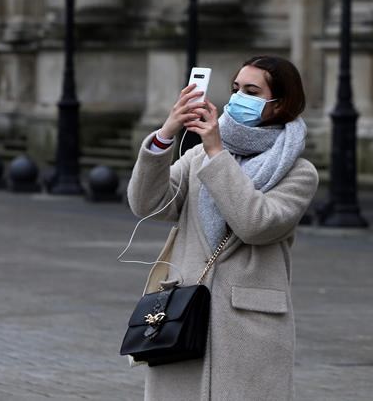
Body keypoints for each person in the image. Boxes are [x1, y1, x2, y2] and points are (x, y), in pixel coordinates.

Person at [127, 55, 318, 401]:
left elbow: (256, 225)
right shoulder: (197, 157)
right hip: (181, 317)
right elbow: (148, 205)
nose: (236, 98)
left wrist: (217, 153)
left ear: (280, 104)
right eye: (235, 89)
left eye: (251, 91)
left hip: (248, 326)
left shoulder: (298, 172)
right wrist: (165, 136)